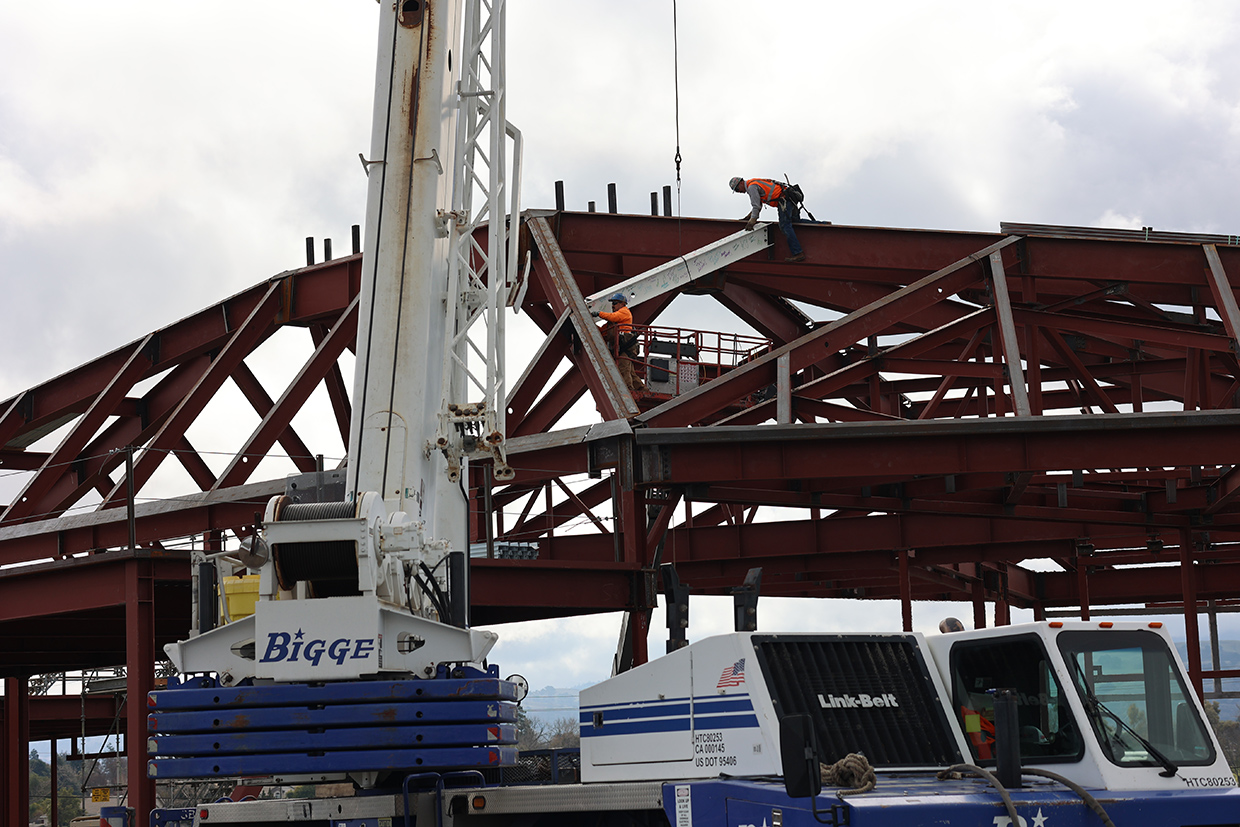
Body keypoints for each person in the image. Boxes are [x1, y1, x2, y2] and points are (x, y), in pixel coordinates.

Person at [730, 176, 805, 262]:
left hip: (784, 200)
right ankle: (822, 224)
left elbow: (756, 206)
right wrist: (749, 217)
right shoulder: (754, 182)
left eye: (737, 189)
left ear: (741, 182)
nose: (739, 192)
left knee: (785, 225)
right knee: (796, 222)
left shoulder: (751, 187)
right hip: (789, 198)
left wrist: (752, 221)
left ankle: (798, 253)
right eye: (736, 191)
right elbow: (759, 204)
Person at [590, 293, 647, 394]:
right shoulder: (614, 321)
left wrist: (598, 313)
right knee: (630, 372)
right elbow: (603, 332)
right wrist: (591, 325)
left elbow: (613, 317)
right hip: (622, 347)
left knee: (624, 369)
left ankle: (628, 391)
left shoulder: (624, 312)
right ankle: (643, 390)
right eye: (612, 303)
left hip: (626, 346)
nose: (613, 305)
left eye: (615, 303)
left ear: (622, 303)